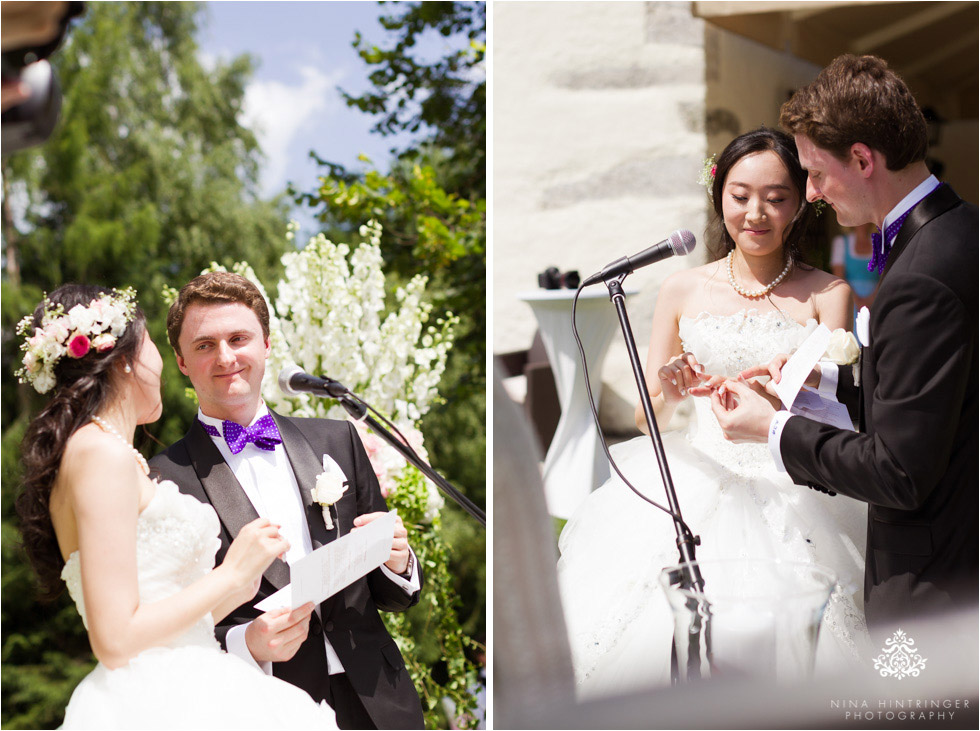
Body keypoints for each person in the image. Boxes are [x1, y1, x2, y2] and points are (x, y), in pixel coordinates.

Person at [557, 127, 871, 698]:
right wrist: (674, 389)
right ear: (718, 194)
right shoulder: (680, 288)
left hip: (792, 486)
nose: (757, 213)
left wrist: (783, 397)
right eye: (741, 195)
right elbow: (643, 417)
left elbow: (836, 412)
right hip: (691, 479)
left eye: (776, 198)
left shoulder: (829, 294)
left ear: (801, 203)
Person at [710, 55, 978, 631]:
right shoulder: (962, 230)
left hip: (936, 588)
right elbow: (937, 400)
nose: (810, 192)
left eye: (815, 172)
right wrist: (827, 382)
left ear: (862, 159)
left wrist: (771, 428)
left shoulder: (921, 277)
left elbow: (899, 472)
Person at [15, 284, 340, 729]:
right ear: (126, 359)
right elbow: (114, 639)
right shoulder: (99, 454)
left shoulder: (108, 452)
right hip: (158, 700)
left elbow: (159, 613)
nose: (161, 363)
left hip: (186, 679)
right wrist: (231, 572)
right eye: (151, 345)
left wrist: (230, 594)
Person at [149, 271, 425, 730]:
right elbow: (162, 628)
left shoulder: (336, 440)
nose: (226, 356)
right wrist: (245, 643)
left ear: (267, 344)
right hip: (266, 704)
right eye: (204, 345)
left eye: (239, 338)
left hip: (380, 698)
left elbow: (389, 597)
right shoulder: (163, 480)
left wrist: (398, 563)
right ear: (181, 361)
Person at [830, 222, 878, 310]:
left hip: (875, 301)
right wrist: (857, 302)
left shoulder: (879, 243)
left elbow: (885, 274)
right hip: (849, 300)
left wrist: (871, 300)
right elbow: (839, 277)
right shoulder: (841, 242)